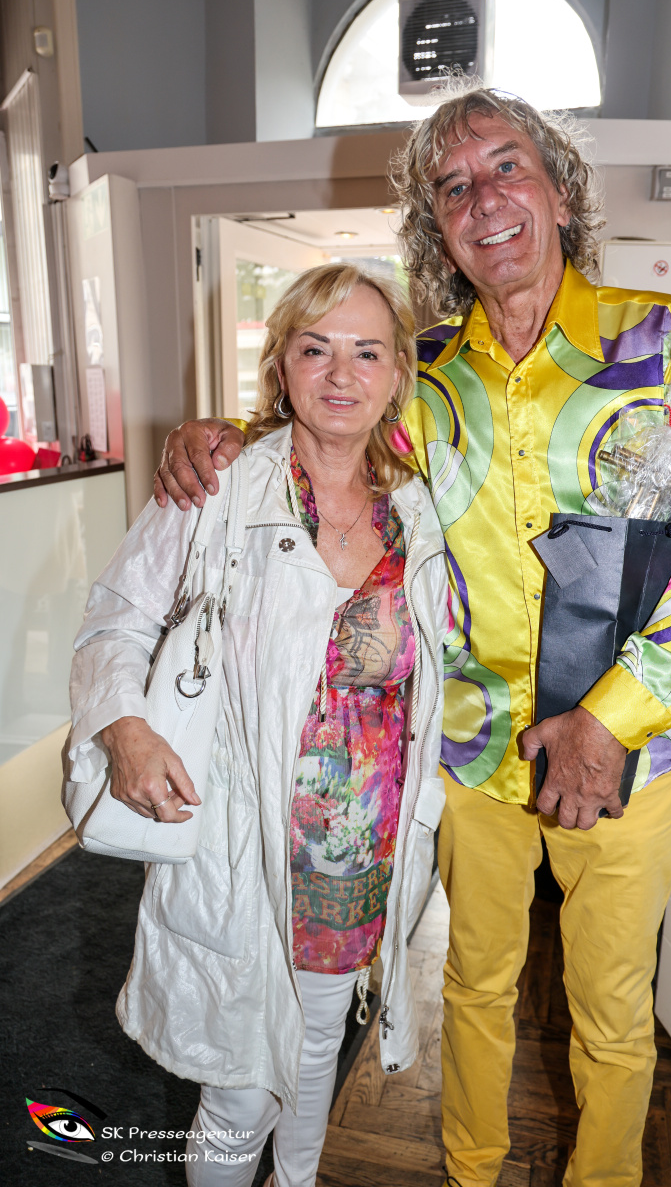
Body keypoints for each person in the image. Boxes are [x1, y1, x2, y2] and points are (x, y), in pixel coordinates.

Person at [155, 88, 671, 1187]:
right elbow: (326, 433)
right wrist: (218, 438)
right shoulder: (424, 373)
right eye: (452, 186)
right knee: (473, 987)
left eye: (506, 166)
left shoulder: (662, 343)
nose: (482, 197)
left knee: (612, 1010)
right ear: (437, 227)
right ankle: (471, 1174)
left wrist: (610, 720)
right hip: (474, 752)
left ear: (561, 192)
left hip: (626, 754)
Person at [67, 262, 448, 1187]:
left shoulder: (422, 505)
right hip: (242, 839)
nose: (342, 373)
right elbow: (114, 619)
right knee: (240, 1086)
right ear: (281, 364)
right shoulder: (223, 485)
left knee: (316, 1044)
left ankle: (298, 1179)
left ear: (399, 371)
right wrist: (125, 728)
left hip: (356, 849)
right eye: (316, 348)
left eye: (368, 352)